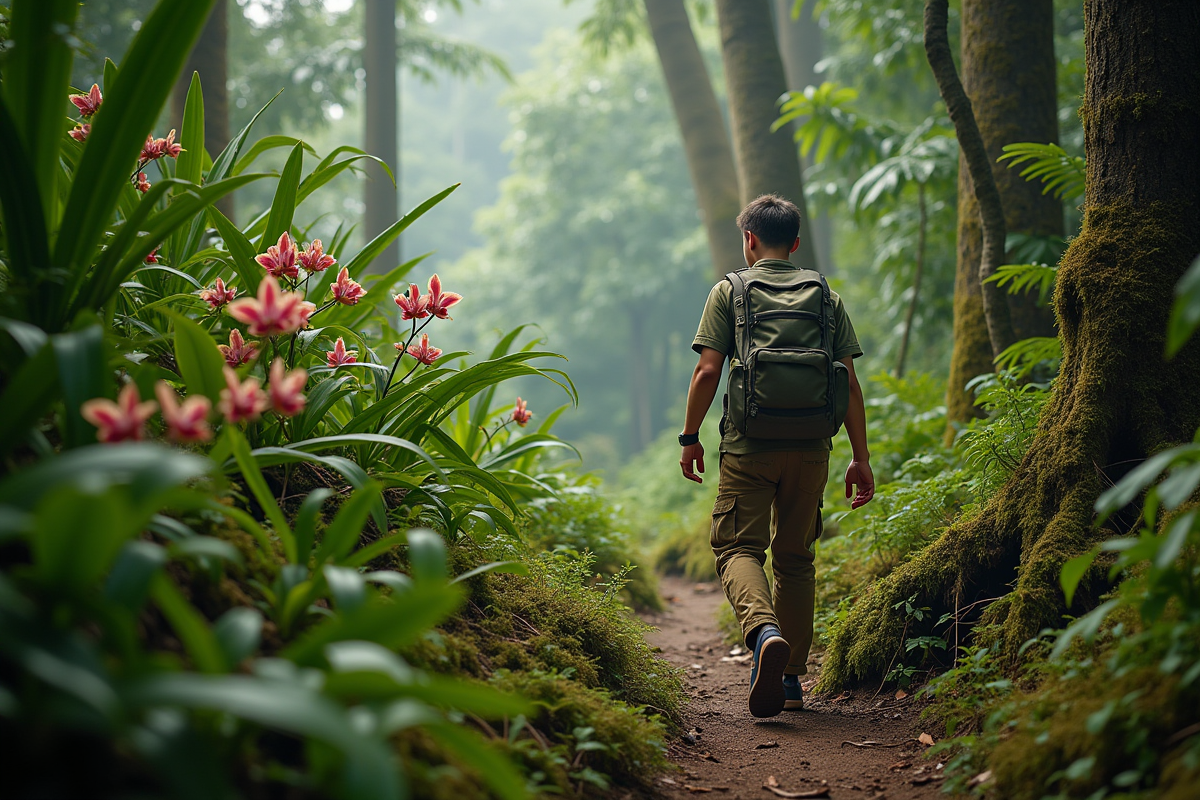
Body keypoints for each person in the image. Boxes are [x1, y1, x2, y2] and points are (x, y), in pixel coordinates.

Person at [678, 194, 874, 718]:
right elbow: (849, 384)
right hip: (811, 448)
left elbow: (707, 372)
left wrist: (690, 435)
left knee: (737, 547)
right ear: (795, 243)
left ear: (749, 241)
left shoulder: (730, 292)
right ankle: (789, 684)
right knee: (796, 559)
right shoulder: (825, 298)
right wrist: (861, 457)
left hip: (749, 447)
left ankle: (764, 633)